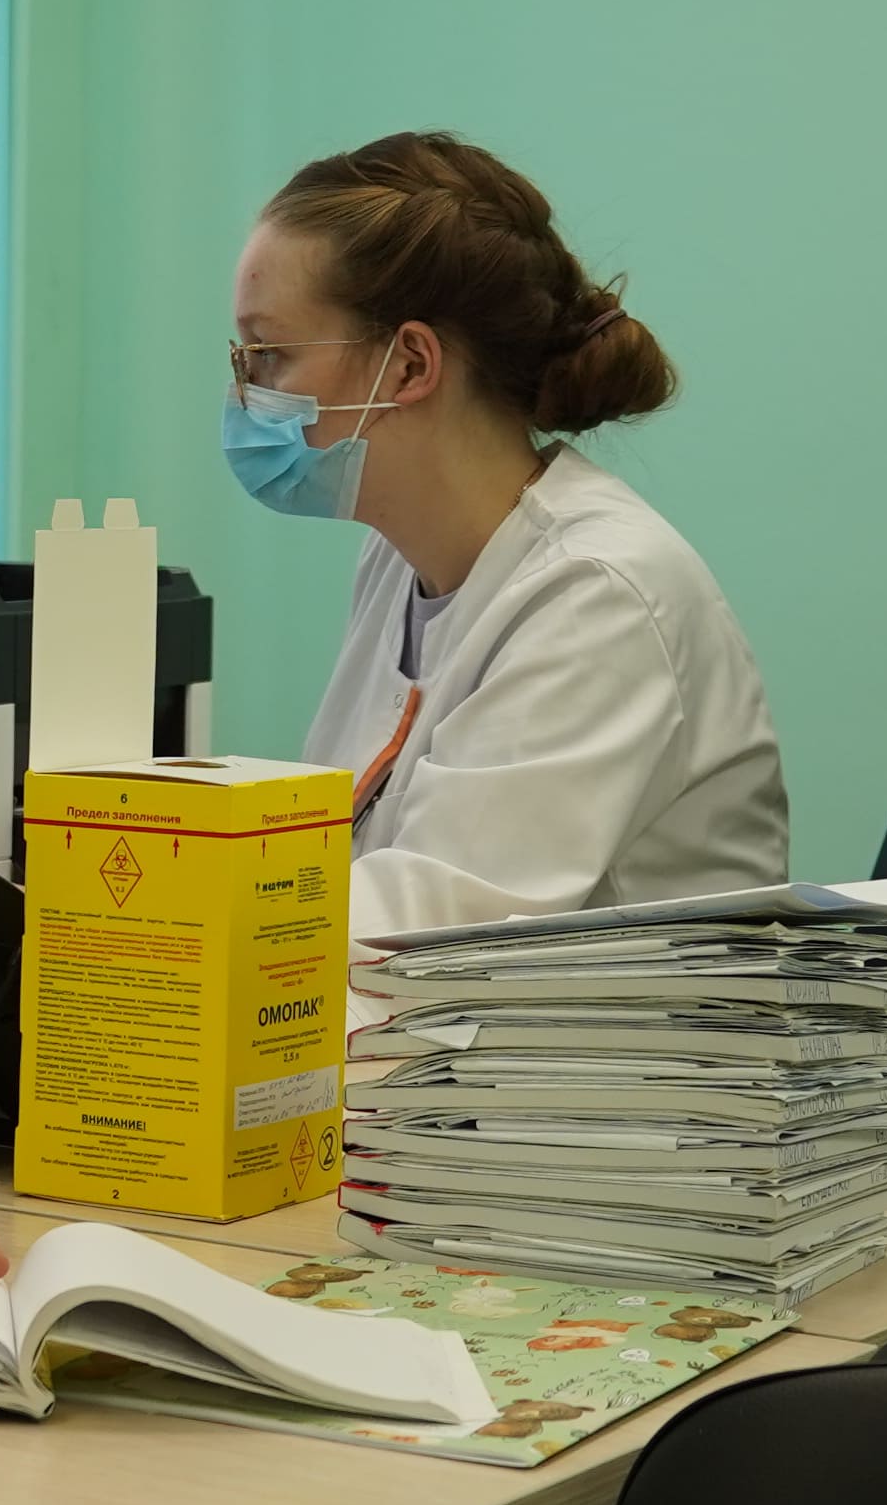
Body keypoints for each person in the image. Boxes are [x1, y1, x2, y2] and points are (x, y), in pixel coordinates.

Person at [221, 131, 787, 938]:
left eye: (269, 353)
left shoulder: (598, 591)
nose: (247, 391)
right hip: (441, 1018)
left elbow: (427, 930)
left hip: (597, 1022)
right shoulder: (399, 561)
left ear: (411, 365)